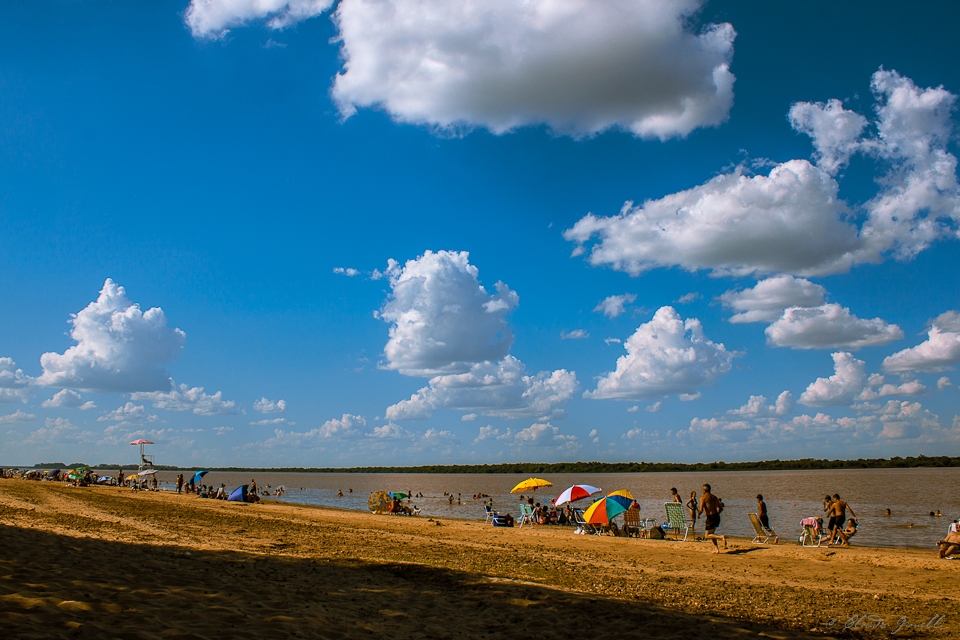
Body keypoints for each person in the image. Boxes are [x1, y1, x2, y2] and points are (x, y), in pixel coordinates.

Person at [698, 484, 726, 553]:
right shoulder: (715, 497)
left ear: (704, 490)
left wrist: (698, 514)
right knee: (712, 534)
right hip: (716, 516)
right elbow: (721, 508)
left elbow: (701, 509)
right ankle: (716, 549)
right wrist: (717, 514)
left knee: (707, 536)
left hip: (710, 517)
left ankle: (721, 537)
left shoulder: (703, 498)